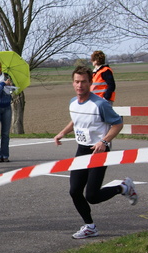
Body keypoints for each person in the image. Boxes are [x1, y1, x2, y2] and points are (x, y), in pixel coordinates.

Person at [53, 66, 138, 239]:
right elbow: (76, 120)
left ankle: (123, 187)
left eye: (84, 82)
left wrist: (104, 141)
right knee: (74, 191)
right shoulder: (72, 102)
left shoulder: (100, 104)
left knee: (92, 196)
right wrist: (63, 132)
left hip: (99, 151)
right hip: (82, 150)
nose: (80, 85)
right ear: (73, 83)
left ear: (90, 83)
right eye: (77, 82)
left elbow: (118, 124)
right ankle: (90, 226)